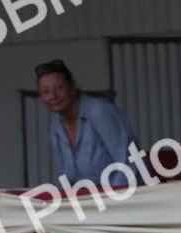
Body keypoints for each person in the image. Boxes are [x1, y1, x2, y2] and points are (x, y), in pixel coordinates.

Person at [35, 59, 139, 187]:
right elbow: (65, 179)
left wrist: (113, 196)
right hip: (89, 197)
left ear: (73, 86)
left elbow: (129, 161)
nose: (53, 96)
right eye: (45, 92)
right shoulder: (55, 129)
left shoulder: (99, 112)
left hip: (127, 194)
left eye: (59, 88)